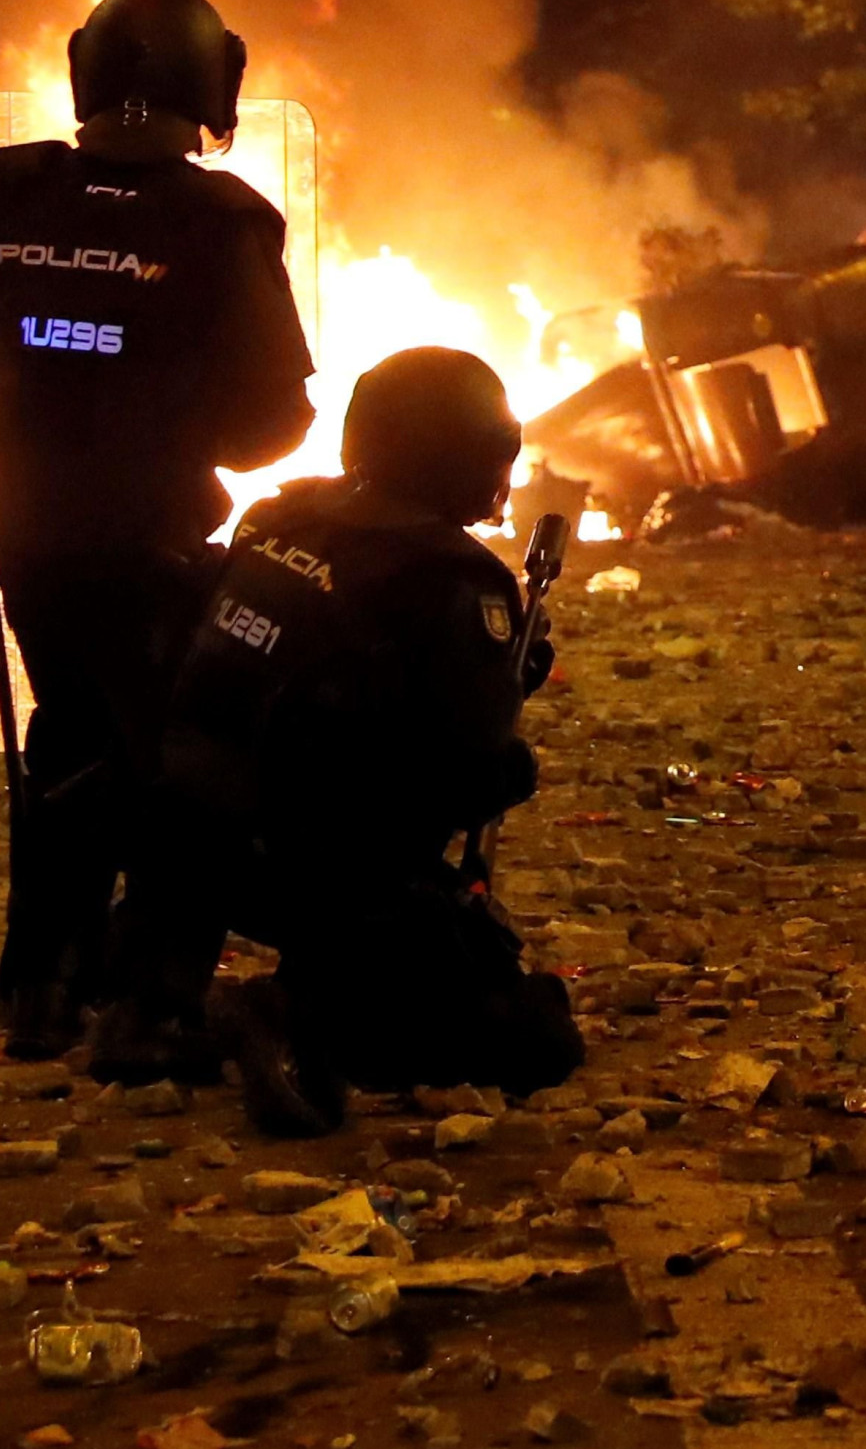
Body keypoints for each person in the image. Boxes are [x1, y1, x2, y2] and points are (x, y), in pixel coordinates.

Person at [0, 0, 314, 1065]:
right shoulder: (222, 220)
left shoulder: (14, 194)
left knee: (68, 737)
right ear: (213, 81)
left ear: (89, 71)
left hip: (28, 533)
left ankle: (44, 983)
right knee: (177, 761)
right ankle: (150, 1001)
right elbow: (270, 423)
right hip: (152, 537)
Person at [157, 345, 583, 1135]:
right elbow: (465, 768)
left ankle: (154, 997)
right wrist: (511, 752)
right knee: (537, 1039)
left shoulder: (279, 514)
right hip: (316, 866)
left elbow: (335, 674)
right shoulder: (451, 577)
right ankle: (291, 1016)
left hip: (185, 843)